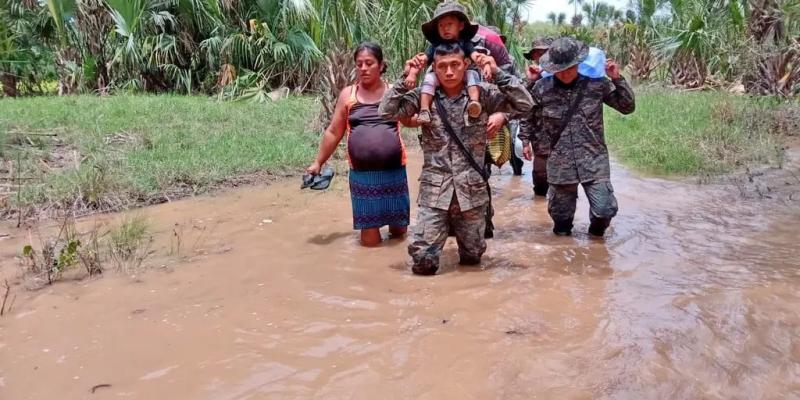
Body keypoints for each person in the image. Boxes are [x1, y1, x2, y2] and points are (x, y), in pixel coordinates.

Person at [380, 43, 533, 276]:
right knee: (423, 261)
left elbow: (526, 104)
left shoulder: (482, 93)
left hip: (471, 192)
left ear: (466, 65)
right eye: (442, 66)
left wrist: (498, 72)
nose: (449, 72)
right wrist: (407, 76)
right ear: (434, 68)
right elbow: (386, 112)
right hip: (435, 192)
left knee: (472, 259)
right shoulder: (425, 96)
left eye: (454, 65)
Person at [526, 37, 635, 237]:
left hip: (594, 159)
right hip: (560, 163)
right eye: (561, 68)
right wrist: (529, 82)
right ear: (553, 67)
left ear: (578, 63)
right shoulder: (542, 88)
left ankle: (596, 243)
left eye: (570, 67)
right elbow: (521, 110)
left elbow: (627, 107)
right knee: (561, 222)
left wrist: (617, 79)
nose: (566, 73)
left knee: (604, 210)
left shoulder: (597, 85)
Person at [307, 42, 414, 247]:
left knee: (399, 233)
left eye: (369, 63)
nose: (363, 68)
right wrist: (318, 162)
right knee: (369, 241)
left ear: (381, 65)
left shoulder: (393, 92)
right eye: (359, 64)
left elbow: (409, 120)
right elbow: (333, 132)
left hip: (394, 171)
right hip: (363, 176)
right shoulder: (348, 95)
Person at [405, 1, 486, 124]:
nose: (445, 28)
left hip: (463, 76)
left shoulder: (465, 43)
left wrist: (484, 62)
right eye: (441, 25)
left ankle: (474, 102)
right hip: (439, 78)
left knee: (472, 74)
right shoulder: (435, 46)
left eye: (449, 24)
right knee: (429, 78)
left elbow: (475, 55)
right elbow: (421, 60)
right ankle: (424, 109)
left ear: (461, 26)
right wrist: (411, 74)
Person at [519, 37, 554, 195]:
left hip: (565, 142)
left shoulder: (565, 77)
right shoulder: (531, 81)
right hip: (540, 140)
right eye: (537, 54)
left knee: (565, 186)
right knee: (540, 179)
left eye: (544, 52)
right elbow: (525, 112)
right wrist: (525, 142)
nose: (540, 57)